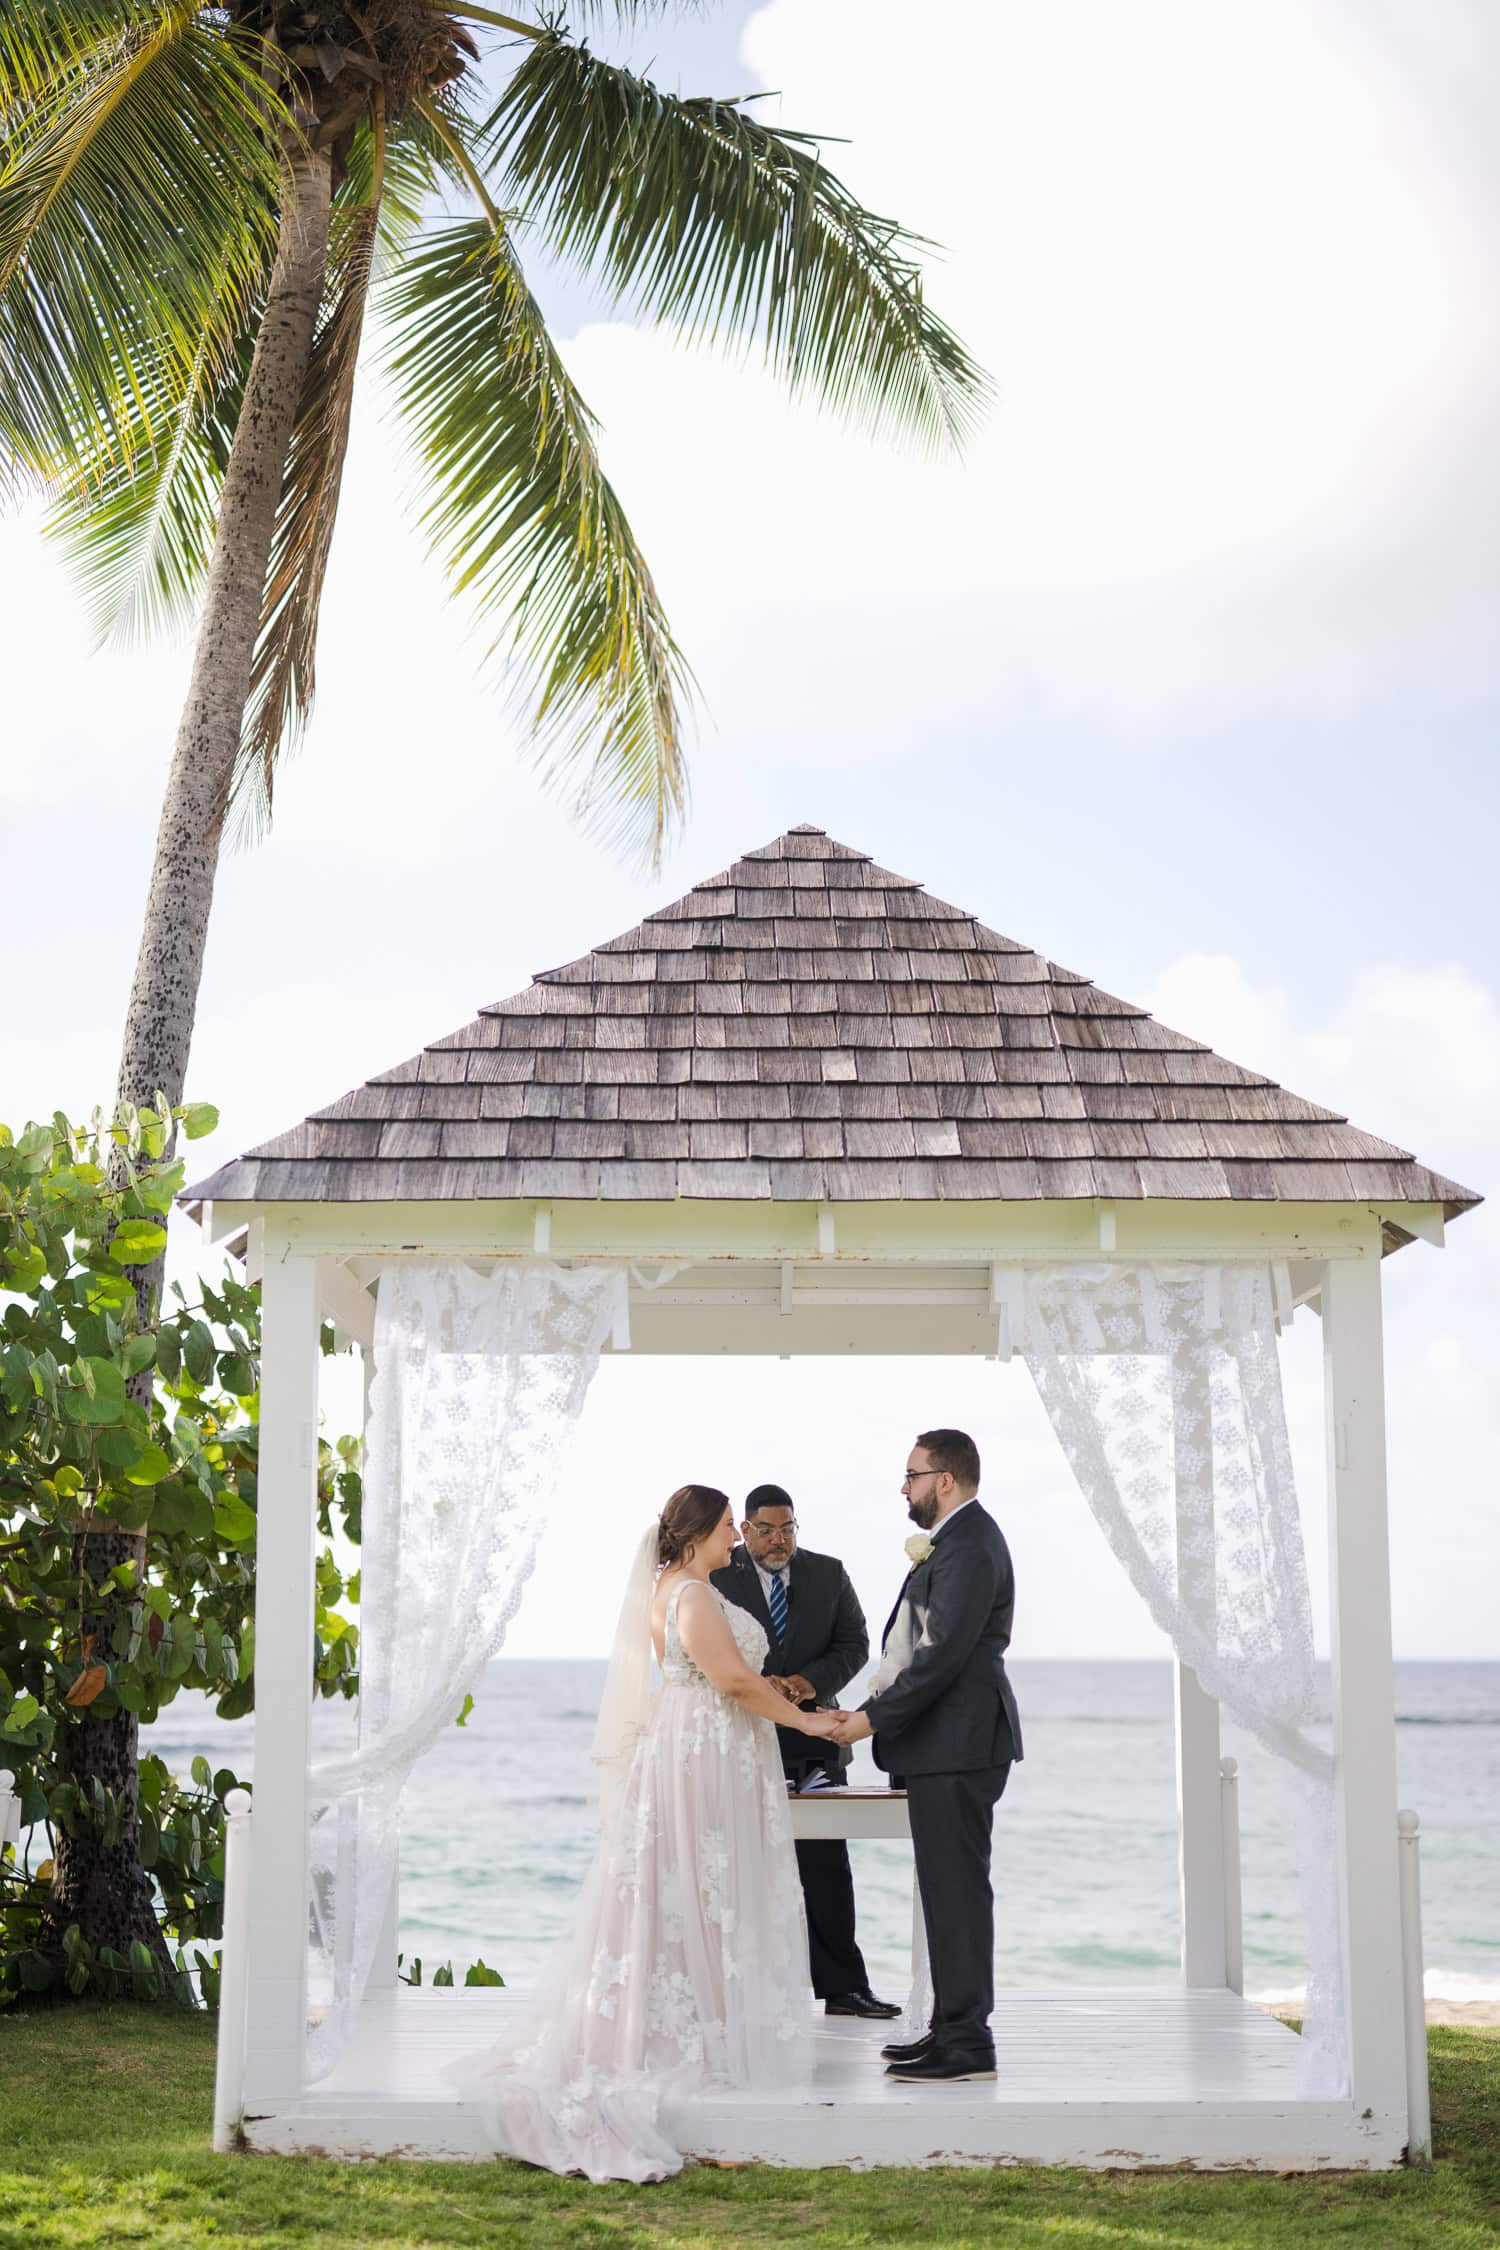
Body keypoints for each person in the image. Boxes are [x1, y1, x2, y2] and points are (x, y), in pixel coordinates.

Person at [467, 1484, 840, 2181]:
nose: (737, 1538)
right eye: (730, 1526)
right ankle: (698, 2036)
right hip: (707, 1751)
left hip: (698, 1744)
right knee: (706, 1887)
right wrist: (810, 1722)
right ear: (699, 1531)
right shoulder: (693, 1596)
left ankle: (699, 2019)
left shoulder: (673, 1585)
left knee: (688, 1893)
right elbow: (730, 1680)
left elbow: (715, 1677)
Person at [831, 1429, 1023, 2084]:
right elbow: (914, 1650)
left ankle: (968, 2041)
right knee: (947, 1892)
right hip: (945, 1743)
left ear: (946, 1479)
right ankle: (952, 2029)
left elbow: (939, 1657)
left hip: (959, 1744)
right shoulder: (958, 1541)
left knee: (958, 1891)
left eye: (912, 1475)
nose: (904, 1488)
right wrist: (868, 1706)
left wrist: (868, 1722)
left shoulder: (969, 1545)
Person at [713, 1483, 899, 2020]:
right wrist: (759, 1684)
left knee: (826, 1867)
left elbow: (856, 1644)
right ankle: (752, 1994)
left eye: (788, 1528)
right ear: (745, 1530)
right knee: (742, 1864)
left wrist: (806, 1683)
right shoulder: (718, 1577)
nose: (779, 1540)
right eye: (767, 1529)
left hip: (815, 1745)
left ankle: (844, 1989)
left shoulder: (830, 1573)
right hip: (743, 1738)